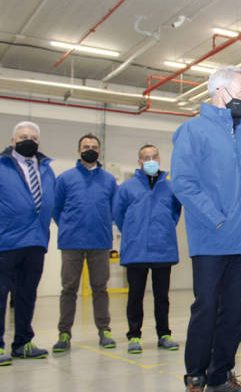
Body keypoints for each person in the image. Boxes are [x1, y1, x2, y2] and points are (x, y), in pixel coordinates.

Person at [171, 65, 241, 392]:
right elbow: (183, 183)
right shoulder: (193, 130)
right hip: (212, 237)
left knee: (234, 312)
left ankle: (221, 376)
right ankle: (195, 377)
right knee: (207, 308)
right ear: (219, 92)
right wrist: (217, 216)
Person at [112, 144, 182, 354]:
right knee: (135, 295)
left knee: (162, 297)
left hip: (163, 248)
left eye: (153, 156)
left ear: (159, 159)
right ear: (139, 162)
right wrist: (133, 232)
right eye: (146, 157)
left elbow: (176, 212)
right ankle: (134, 335)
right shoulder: (127, 187)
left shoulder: (171, 186)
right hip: (136, 250)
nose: (150, 160)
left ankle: (164, 334)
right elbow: (118, 214)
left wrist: (164, 228)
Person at [52, 133, 117, 352]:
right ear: (78, 150)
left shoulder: (108, 180)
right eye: (86, 145)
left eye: (94, 146)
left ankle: (104, 330)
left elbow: (114, 208)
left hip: (100, 242)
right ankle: (64, 333)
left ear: (99, 151)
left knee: (100, 288)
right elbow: (55, 208)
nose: (90, 148)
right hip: (71, 242)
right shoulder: (65, 178)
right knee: (69, 288)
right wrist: (68, 226)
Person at [0, 121, 55, 364]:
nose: (28, 140)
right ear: (13, 141)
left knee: (26, 294)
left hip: (36, 241)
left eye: (33, 137)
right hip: (6, 241)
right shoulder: (2, 165)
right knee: (0, 294)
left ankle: (22, 342)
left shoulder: (45, 168)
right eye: (23, 136)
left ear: (38, 142)